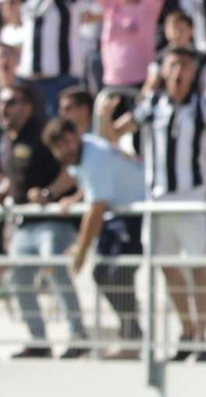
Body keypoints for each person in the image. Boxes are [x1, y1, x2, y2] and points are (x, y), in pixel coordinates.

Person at [102, 47, 206, 361]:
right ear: (162, 70)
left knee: (198, 268)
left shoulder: (205, 107)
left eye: (185, 66)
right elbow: (114, 135)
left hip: (191, 200)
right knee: (168, 268)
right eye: (173, 65)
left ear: (193, 72)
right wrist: (105, 117)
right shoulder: (151, 106)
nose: (178, 72)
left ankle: (201, 337)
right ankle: (187, 333)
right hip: (158, 200)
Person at [0, 84, 89, 359]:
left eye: (11, 103)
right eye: (2, 103)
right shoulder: (7, 138)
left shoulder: (43, 133)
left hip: (52, 221)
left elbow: (73, 168)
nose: (4, 109)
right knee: (19, 280)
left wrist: (49, 194)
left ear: (28, 106)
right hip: (24, 223)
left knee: (55, 272)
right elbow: (19, 175)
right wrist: (3, 190)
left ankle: (78, 335)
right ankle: (38, 340)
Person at [42, 116, 147, 357]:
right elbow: (90, 183)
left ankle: (132, 336)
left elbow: (96, 207)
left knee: (117, 271)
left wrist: (81, 249)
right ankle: (131, 331)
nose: (66, 149)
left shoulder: (94, 154)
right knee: (103, 273)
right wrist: (74, 198)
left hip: (135, 211)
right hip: (118, 214)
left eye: (68, 142)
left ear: (76, 137)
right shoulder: (82, 155)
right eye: (59, 147)